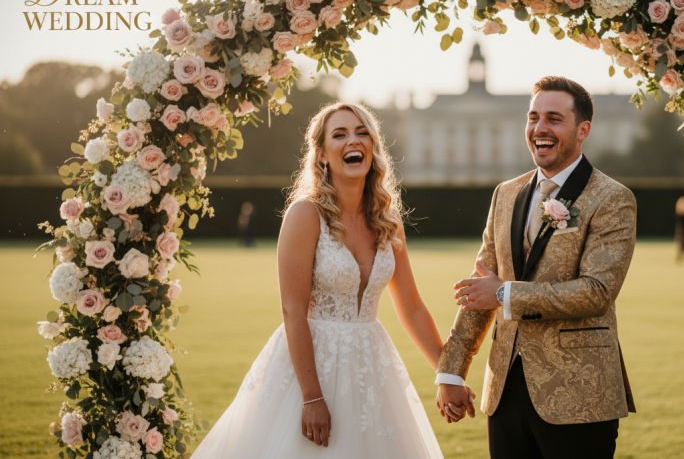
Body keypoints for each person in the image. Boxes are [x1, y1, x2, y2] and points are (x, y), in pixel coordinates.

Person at [191, 102, 473, 458]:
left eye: (361, 132)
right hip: (311, 369)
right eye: (339, 134)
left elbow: (412, 308)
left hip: (371, 368)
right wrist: (312, 397)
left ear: (373, 147)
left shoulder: (388, 221)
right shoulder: (305, 214)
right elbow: (293, 310)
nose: (353, 140)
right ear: (322, 154)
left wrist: (448, 375)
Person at [434, 76, 637, 459]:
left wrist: (504, 294)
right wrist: (451, 371)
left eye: (554, 119)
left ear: (583, 130)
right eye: (533, 117)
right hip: (505, 389)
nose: (539, 128)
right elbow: (483, 285)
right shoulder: (506, 193)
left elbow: (596, 292)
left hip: (580, 392)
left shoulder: (612, 198)